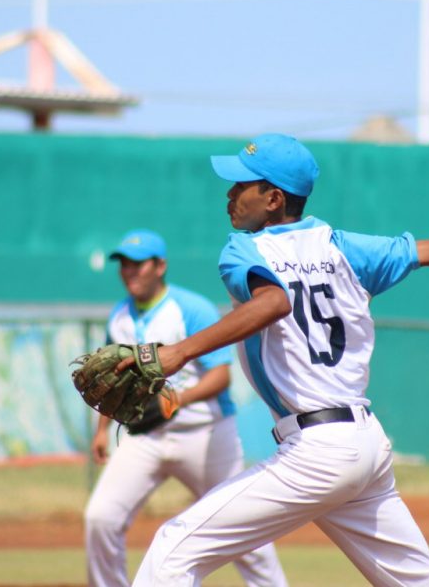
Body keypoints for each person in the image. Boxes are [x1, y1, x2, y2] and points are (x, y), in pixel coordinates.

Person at [130, 134, 429, 586]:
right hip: (364, 443)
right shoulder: (347, 249)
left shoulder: (245, 248)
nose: (230, 193)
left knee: (173, 549)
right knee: (420, 580)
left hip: (318, 451)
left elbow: (273, 303)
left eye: (242, 184)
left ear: (273, 199)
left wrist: (177, 352)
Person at [84, 228, 288, 587]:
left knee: (244, 533)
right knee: (101, 518)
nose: (129, 271)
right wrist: (102, 430)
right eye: (124, 264)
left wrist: (178, 399)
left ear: (160, 266)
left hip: (206, 435)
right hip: (144, 437)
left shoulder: (191, 309)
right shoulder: (119, 316)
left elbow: (220, 377)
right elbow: (112, 384)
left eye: (137, 264)